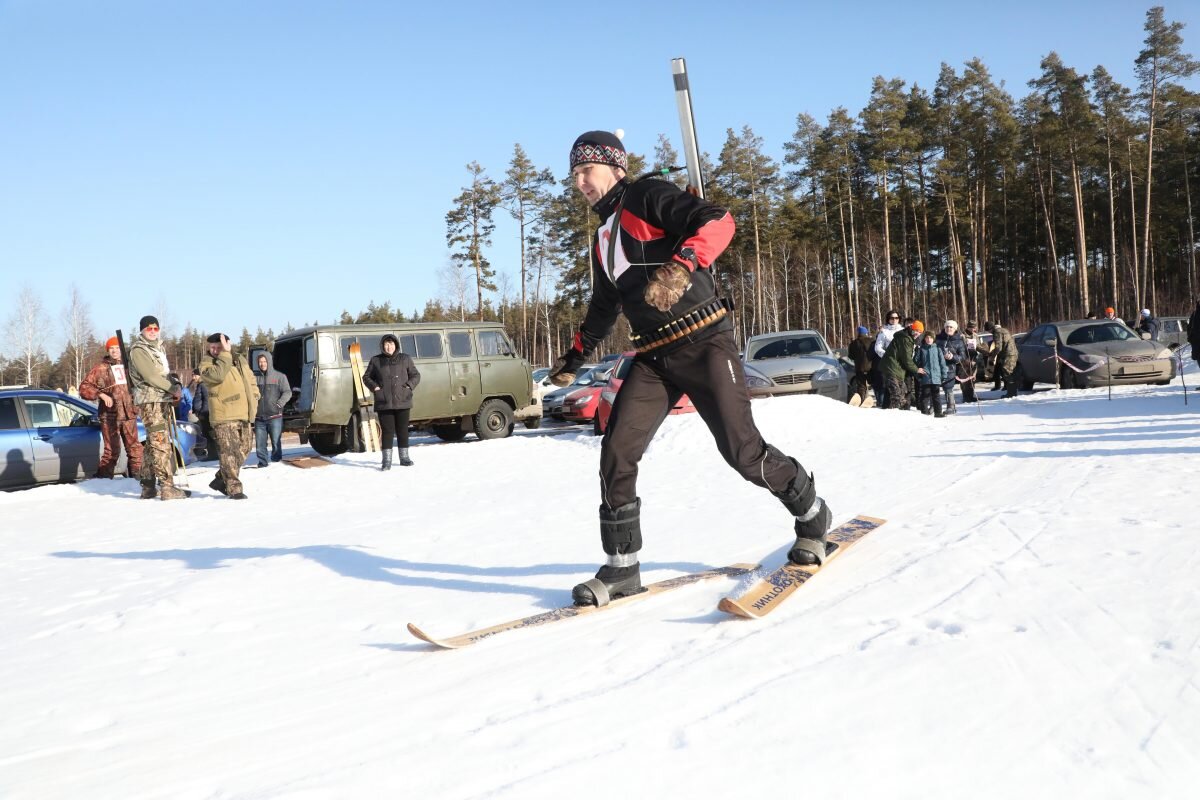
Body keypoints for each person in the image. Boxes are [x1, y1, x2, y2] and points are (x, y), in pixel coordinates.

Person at [550, 129, 831, 607]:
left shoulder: (645, 195)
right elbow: (603, 306)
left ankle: (812, 515)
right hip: (654, 358)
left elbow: (718, 221)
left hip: (703, 342)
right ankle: (622, 567)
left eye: (586, 171)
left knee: (743, 453)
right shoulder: (602, 237)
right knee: (617, 451)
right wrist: (574, 358)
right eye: (574, 174)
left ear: (616, 168)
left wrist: (681, 266)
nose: (579, 182)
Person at [127, 315, 189, 500]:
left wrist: (175, 383)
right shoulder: (138, 350)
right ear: (142, 330)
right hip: (150, 401)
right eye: (149, 329)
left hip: (161, 399)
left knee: (152, 444)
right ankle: (167, 487)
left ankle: (147, 484)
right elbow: (151, 376)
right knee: (161, 442)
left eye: (155, 328)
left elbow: (163, 374)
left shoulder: (157, 348)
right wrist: (172, 389)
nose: (153, 332)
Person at [199, 332, 258, 499]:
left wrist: (255, 395)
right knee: (229, 453)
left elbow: (250, 379)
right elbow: (217, 376)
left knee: (244, 450)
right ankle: (234, 489)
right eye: (213, 348)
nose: (216, 351)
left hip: (244, 412)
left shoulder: (239, 359)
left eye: (220, 347)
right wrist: (225, 354)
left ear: (228, 344)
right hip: (224, 415)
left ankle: (220, 479)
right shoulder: (207, 363)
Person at [78, 336, 143, 480]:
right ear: (108, 350)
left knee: (135, 448)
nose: (114, 351)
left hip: (128, 414)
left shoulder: (130, 367)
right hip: (109, 416)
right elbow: (83, 388)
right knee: (112, 451)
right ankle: (103, 481)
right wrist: (100, 394)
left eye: (117, 348)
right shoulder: (100, 368)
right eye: (111, 348)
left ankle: (139, 480)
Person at [362, 333, 422, 469]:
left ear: (396, 345)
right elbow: (366, 377)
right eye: (386, 344)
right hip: (384, 402)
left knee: (402, 430)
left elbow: (416, 375)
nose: (389, 347)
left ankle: (404, 458)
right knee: (388, 431)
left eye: (392, 344)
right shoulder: (376, 360)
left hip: (403, 400)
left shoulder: (405, 358)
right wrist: (375, 387)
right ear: (383, 346)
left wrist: (408, 386)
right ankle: (386, 461)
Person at [252, 351, 291, 467]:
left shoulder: (280, 376)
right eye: (260, 362)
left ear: (269, 361)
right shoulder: (254, 378)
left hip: (275, 416)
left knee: (275, 442)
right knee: (260, 444)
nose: (262, 364)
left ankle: (276, 462)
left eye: (264, 361)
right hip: (259, 417)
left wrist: (279, 404)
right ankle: (262, 463)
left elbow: (287, 392)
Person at [881, 320, 921, 409]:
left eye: (920, 332)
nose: (917, 333)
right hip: (891, 367)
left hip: (897, 369)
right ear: (911, 328)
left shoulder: (909, 338)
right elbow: (906, 359)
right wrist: (917, 369)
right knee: (897, 396)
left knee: (902, 393)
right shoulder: (905, 339)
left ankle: (890, 411)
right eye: (916, 330)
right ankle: (894, 415)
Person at [935, 320, 967, 415]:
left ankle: (951, 406)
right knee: (934, 387)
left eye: (951, 327)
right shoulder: (938, 338)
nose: (948, 329)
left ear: (955, 329)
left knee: (948, 387)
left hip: (950, 368)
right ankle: (935, 406)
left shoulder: (959, 341)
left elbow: (962, 357)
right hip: (936, 367)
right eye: (947, 327)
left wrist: (953, 357)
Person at [872, 310, 903, 407]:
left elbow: (911, 346)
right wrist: (888, 356)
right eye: (892, 318)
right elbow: (877, 348)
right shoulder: (884, 332)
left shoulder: (904, 330)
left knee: (902, 387)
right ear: (888, 319)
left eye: (896, 318)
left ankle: (901, 410)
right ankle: (890, 409)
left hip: (902, 363)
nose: (894, 320)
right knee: (892, 387)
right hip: (889, 363)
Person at [914, 329, 948, 417]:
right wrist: (918, 373)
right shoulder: (921, 349)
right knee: (925, 396)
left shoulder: (937, 349)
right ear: (924, 339)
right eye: (927, 338)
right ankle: (924, 413)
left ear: (934, 339)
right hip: (925, 377)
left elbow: (942, 363)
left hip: (936, 377)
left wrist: (944, 374)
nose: (929, 339)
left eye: (931, 338)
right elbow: (915, 362)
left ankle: (938, 413)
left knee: (936, 396)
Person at [984, 321, 1019, 398]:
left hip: (1008, 355)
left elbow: (998, 347)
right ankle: (1012, 392)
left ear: (990, 329)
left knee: (1007, 373)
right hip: (1013, 353)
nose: (989, 333)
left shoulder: (996, 332)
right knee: (1011, 373)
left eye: (988, 331)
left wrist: (992, 355)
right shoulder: (1004, 330)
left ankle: (1011, 394)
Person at [191, 367, 217, 461]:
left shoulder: (203, 385)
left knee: (209, 434)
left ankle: (213, 455)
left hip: (206, 414)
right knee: (206, 434)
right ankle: (212, 454)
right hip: (202, 414)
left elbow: (207, 399)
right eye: (193, 375)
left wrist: (203, 412)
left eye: (195, 375)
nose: (193, 378)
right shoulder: (200, 385)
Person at [846, 325, 875, 407]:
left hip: (859, 368)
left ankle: (861, 400)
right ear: (866, 333)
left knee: (861, 386)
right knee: (875, 384)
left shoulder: (854, 343)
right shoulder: (872, 341)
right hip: (871, 367)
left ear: (858, 333)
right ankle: (878, 400)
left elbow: (850, 356)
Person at [959, 321, 981, 404]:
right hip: (964, 361)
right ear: (968, 327)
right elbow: (959, 348)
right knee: (965, 379)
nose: (973, 329)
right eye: (972, 327)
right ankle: (965, 396)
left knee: (972, 378)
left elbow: (978, 346)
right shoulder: (962, 336)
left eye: (974, 327)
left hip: (973, 360)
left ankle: (971, 396)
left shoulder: (976, 336)